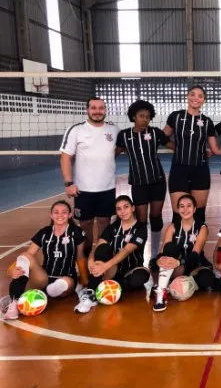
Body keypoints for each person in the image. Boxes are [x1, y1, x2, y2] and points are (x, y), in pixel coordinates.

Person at [0, 201, 86, 320]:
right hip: (44, 277)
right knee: (25, 255)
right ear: (51, 215)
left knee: (65, 283)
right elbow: (27, 256)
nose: (60, 215)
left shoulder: (76, 232)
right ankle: (14, 303)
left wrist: (85, 281)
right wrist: (11, 271)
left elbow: (80, 257)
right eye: (56, 212)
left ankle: (46, 292)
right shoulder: (44, 232)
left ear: (70, 215)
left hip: (67, 276)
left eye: (64, 212)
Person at [60, 97, 118, 261]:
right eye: (93, 108)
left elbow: (117, 149)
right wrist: (69, 183)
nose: (97, 111)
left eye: (101, 108)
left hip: (107, 188)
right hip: (83, 189)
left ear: (105, 110)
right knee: (84, 225)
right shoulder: (77, 130)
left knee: (104, 222)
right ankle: (85, 257)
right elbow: (65, 157)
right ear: (87, 110)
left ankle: (100, 258)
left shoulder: (114, 130)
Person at [116, 100, 174, 261]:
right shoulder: (124, 135)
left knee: (156, 217)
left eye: (148, 117)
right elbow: (112, 154)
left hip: (157, 180)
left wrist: (197, 151)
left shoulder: (156, 133)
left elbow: (174, 146)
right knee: (141, 221)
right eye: (141, 116)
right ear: (134, 116)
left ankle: (154, 254)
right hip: (138, 182)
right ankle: (139, 255)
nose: (145, 119)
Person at [74, 196, 151, 314]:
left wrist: (104, 266)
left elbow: (126, 251)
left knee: (141, 277)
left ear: (133, 208)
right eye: (119, 209)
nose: (123, 211)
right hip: (112, 269)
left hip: (131, 268)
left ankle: (101, 285)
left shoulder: (141, 228)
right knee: (103, 249)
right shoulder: (112, 228)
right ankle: (90, 294)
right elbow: (98, 246)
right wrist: (90, 259)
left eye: (126, 207)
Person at [163, 85, 221, 225]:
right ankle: (178, 246)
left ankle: (197, 247)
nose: (196, 98)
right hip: (179, 169)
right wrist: (178, 148)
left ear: (204, 100)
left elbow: (215, 148)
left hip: (200, 170)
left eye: (200, 96)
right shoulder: (175, 116)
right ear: (187, 96)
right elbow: (162, 137)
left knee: (199, 215)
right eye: (193, 94)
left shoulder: (207, 122)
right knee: (178, 215)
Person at [152, 194, 214, 312]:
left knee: (208, 279)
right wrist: (159, 259)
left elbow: (195, 254)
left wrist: (179, 262)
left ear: (194, 209)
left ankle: (173, 286)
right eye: (182, 206)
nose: (185, 209)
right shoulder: (173, 227)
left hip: (194, 265)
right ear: (178, 209)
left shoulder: (202, 227)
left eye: (189, 206)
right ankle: (161, 293)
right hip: (177, 267)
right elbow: (164, 251)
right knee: (169, 247)